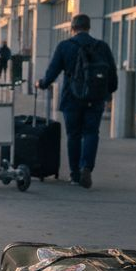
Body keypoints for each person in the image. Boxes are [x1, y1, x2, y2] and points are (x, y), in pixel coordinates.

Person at [38, 14, 118, 189]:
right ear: (89, 28)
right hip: (95, 99)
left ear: (72, 28)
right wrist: (108, 93)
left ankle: (75, 175)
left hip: (72, 98)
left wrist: (42, 84)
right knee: (91, 133)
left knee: (73, 135)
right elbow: (112, 75)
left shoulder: (65, 46)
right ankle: (87, 167)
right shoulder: (101, 46)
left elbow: (52, 73)